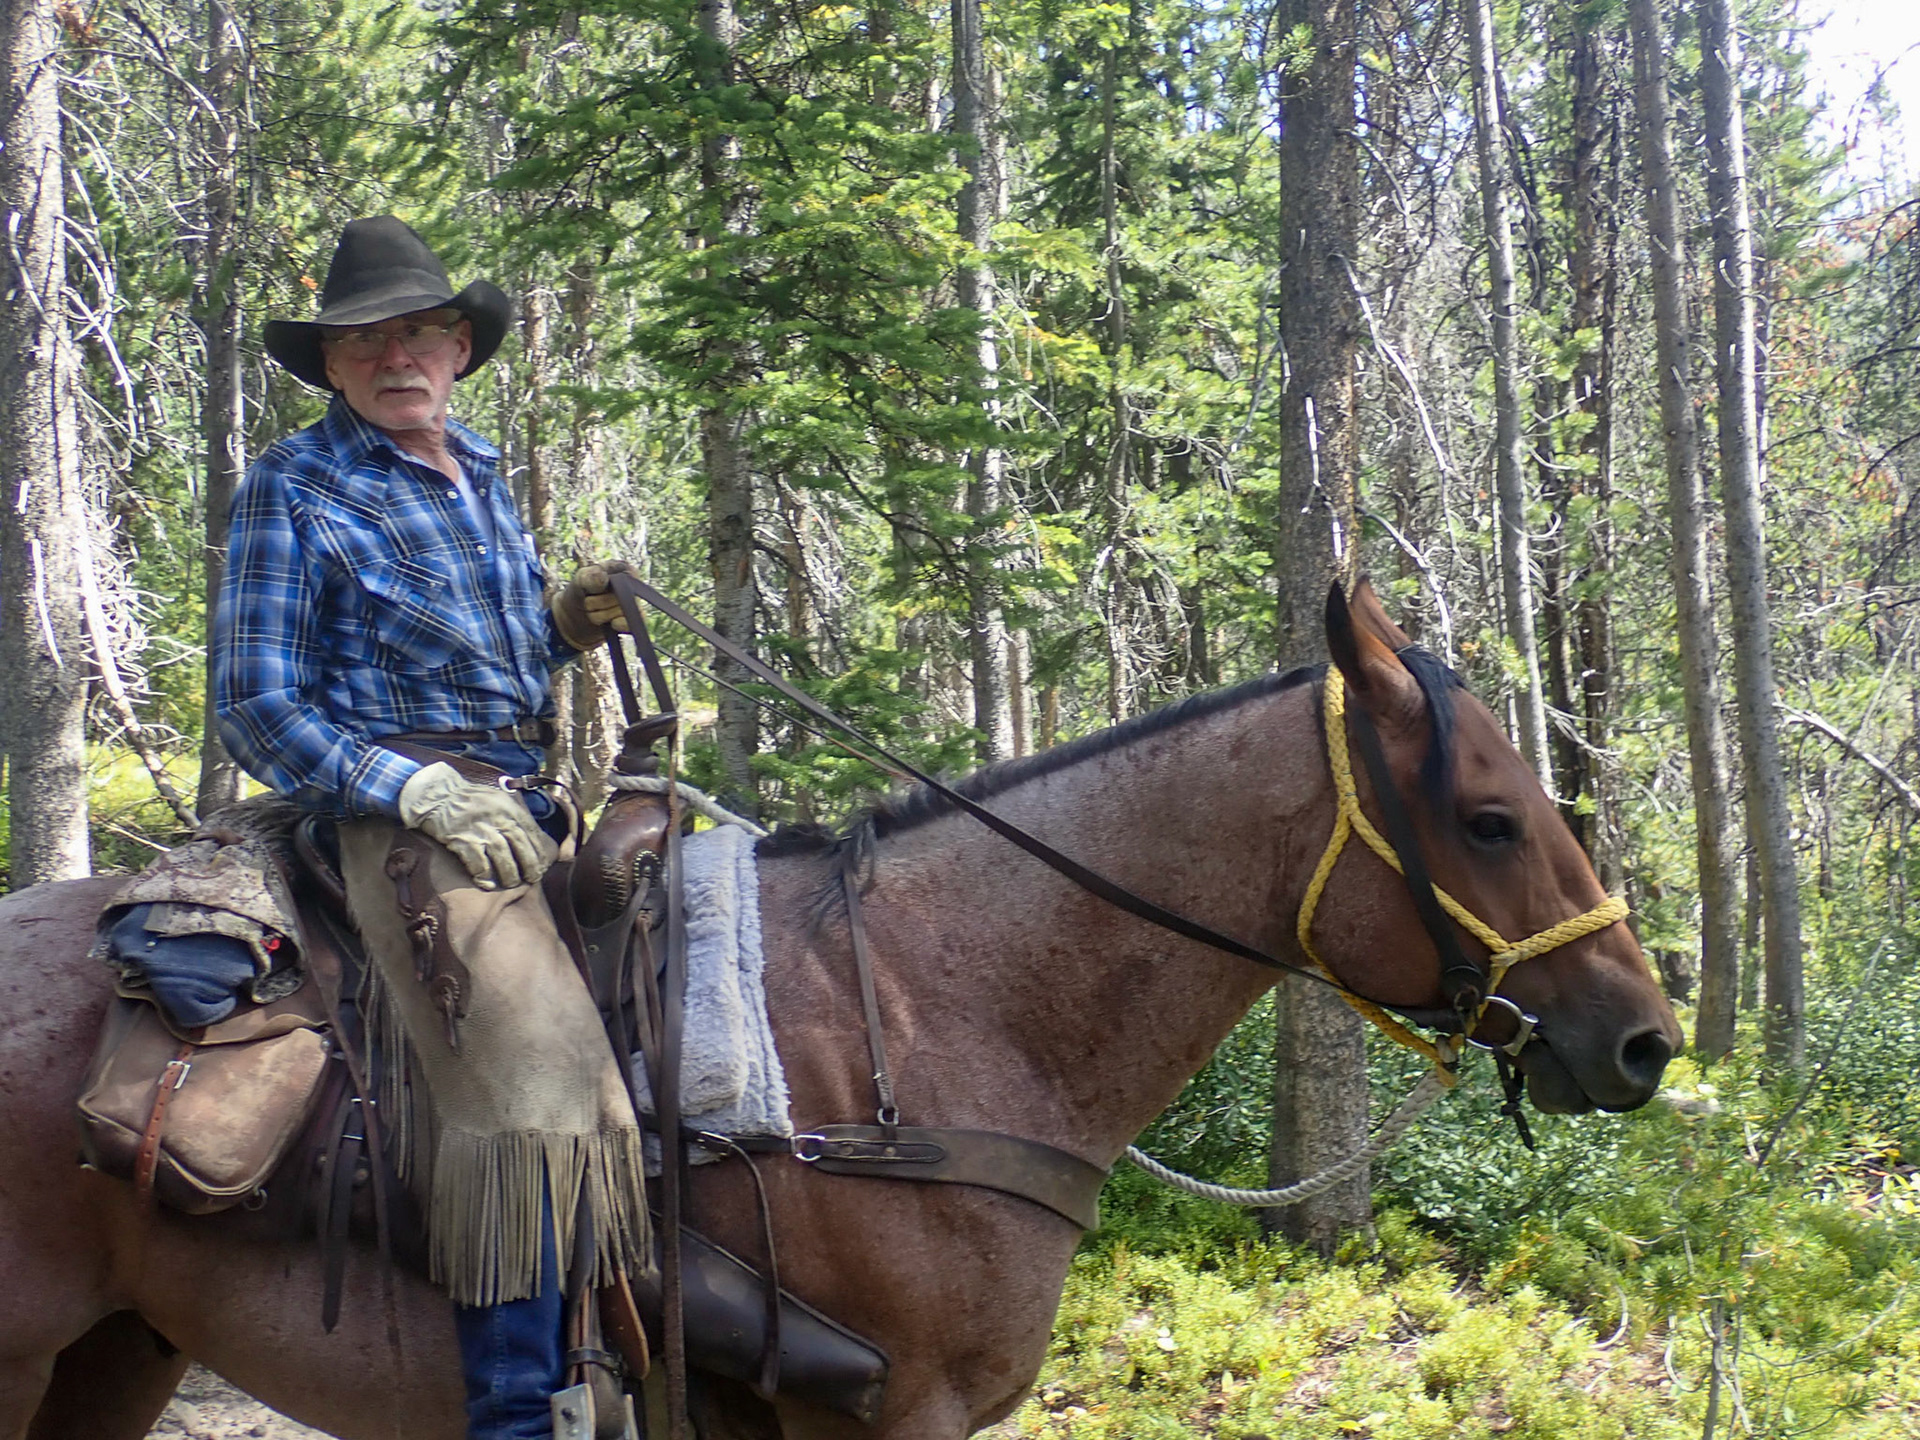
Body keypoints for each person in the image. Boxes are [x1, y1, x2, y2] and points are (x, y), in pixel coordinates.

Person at [213, 216, 644, 1440]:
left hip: (528, 797)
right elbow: (254, 702)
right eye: (363, 341)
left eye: (416, 332)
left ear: (457, 346)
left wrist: (568, 621)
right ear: (333, 365)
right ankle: (519, 1409)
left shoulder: (485, 464)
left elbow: (498, 654)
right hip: (402, 817)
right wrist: (413, 792)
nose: (393, 355)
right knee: (529, 1100)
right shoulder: (291, 487)